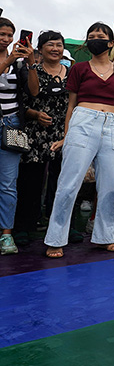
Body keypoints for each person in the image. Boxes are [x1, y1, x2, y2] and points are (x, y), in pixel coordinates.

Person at [44, 22, 114, 258]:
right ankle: (55, 239)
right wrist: (66, 136)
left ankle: (107, 237)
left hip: (112, 124)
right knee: (68, 183)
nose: (95, 39)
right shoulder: (79, 68)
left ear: (110, 43)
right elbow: (71, 106)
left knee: (112, 185)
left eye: (100, 36)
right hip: (82, 122)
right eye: (91, 36)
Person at [15, 31, 68, 238]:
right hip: (35, 133)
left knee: (62, 181)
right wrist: (36, 115)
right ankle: (24, 226)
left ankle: (61, 225)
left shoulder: (72, 73)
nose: (55, 49)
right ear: (40, 49)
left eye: (59, 45)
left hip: (63, 133)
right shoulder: (29, 70)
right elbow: (28, 98)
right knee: (30, 182)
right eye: (50, 45)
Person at [0, 17, 38, 254]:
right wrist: (8, 60)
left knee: (8, 183)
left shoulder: (19, 64)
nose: (6, 39)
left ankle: (6, 235)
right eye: (1, 34)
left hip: (13, 124)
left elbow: (33, 91)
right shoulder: (11, 60)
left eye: (9, 35)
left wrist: (30, 62)